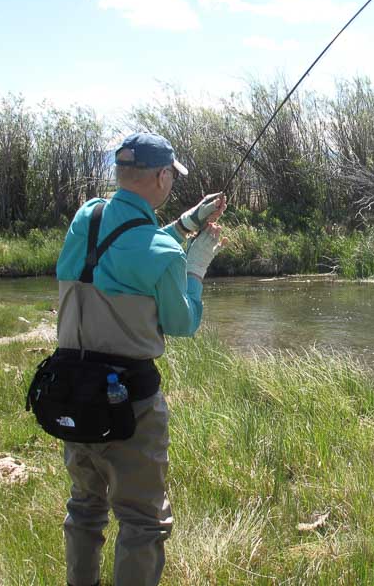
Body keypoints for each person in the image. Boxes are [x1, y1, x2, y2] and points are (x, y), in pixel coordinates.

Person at [54, 132, 227, 586]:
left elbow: (125, 246)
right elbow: (182, 323)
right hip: (130, 404)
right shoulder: (164, 254)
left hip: (71, 392)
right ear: (162, 176)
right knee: (143, 521)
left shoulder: (85, 219)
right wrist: (195, 266)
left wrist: (187, 224)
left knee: (85, 508)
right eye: (172, 175)